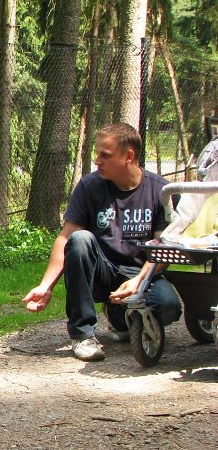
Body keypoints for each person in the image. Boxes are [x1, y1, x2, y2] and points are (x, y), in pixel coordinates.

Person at [22, 122, 182, 361]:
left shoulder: (161, 191)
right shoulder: (90, 186)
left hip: (142, 271)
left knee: (168, 306)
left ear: (128, 156)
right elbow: (65, 237)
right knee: (80, 239)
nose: (97, 161)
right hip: (102, 271)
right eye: (97, 154)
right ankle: (82, 334)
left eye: (105, 155)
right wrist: (46, 286)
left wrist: (138, 282)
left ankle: (120, 317)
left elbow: (163, 247)